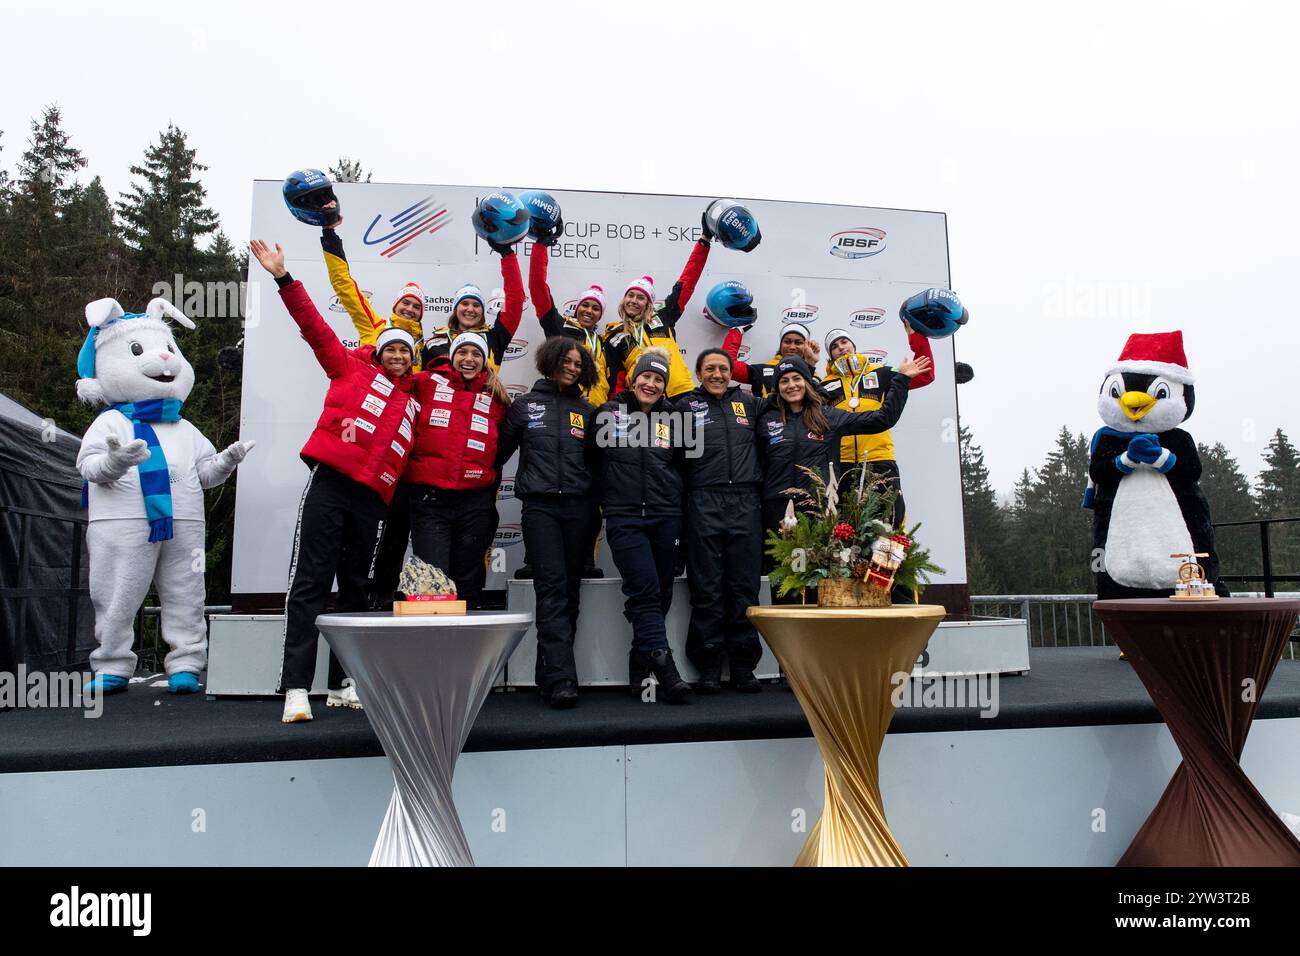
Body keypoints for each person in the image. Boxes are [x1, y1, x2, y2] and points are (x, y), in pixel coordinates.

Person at [250, 240, 419, 724]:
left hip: (373, 503)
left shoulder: (413, 403)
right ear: (378, 349)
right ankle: (297, 687)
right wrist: (284, 278)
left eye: (406, 352)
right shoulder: (349, 368)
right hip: (331, 487)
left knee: (357, 590)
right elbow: (314, 327)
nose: (398, 357)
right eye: (391, 349)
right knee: (310, 583)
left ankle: (347, 682)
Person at [758, 353, 932, 604]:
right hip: (776, 508)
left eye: (797, 378)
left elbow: (882, 419)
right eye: (784, 381)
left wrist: (901, 380)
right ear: (777, 388)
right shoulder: (766, 417)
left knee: (818, 576)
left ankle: (821, 638)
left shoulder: (828, 415)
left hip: (816, 509)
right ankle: (790, 641)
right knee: (785, 580)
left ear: (808, 383)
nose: (791, 385)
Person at [495, 337, 600, 708]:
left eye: (578, 364)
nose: (572, 368)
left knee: (570, 591)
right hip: (539, 510)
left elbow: (601, 468)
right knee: (552, 587)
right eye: (566, 361)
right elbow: (496, 455)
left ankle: (551, 673)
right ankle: (562, 678)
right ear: (549, 361)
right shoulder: (524, 407)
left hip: (581, 511)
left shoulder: (589, 412)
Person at [590, 348, 692, 702]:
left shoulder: (677, 420)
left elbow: (685, 468)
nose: (650, 383)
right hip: (624, 516)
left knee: (659, 594)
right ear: (633, 380)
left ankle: (639, 667)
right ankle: (666, 667)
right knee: (645, 589)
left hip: (667, 517)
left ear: (664, 386)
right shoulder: (607, 414)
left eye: (658, 379)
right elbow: (592, 463)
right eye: (645, 376)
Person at [674, 348, 764, 693]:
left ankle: (743, 666)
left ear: (731, 373)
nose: (717, 374)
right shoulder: (683, 407)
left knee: (744, 587)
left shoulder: (751, 405)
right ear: (699, 373)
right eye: (709, 368)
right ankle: (708, 666)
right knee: (707, 587)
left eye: (723, 369)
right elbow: (673, 459)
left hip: (745, 500)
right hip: (703, 499)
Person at [406, 331, 511, 609]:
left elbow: (504, 442)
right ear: (452, 357)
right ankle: (430, 651)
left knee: (468, 582)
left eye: (476, 354)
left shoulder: (496, 397)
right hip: (430, 501)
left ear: (484, 361)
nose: (469, 359)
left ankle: (466, 650)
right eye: (463, 352)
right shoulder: (425, 383)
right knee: (432, 582)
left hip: (474, 503)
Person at [820, 322, 935, 526]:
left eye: (844, 341)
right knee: (844, 527)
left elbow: (925, 375)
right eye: (835, 346)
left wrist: (917, 338)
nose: (841, 347)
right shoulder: (824, 385)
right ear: (830, 355)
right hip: (842, 463)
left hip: (879, 458)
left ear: (853, 345)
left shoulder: (881, 373)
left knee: (890, 520)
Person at [601, 212, 715, 399]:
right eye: (630, 295)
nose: (634, 301)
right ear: (624, 299)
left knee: (688, 430)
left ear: (648, 304)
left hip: (682, 393)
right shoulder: (613, 335)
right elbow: (615, 378)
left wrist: (704, 241)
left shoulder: (663, 317)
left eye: (640, 297)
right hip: (646, 400)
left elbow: (686, 283)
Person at [722, 322, 822, 398]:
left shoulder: (813, 374)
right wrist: (736, 332)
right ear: (780, 344)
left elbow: (814, 403)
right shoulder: (761, 371)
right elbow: (729, 367)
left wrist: (810, 363)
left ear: (806, 346)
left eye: (798, 342)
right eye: (787, 342)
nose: (792, 347)